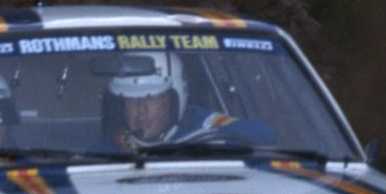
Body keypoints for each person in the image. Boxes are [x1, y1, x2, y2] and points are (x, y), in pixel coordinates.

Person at [98, 51, 274, 152]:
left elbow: (263, 135)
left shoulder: (202, 125)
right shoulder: (113, 148)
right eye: (132, 99)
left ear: (175, 97)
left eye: (151, 97)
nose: (140, 110)